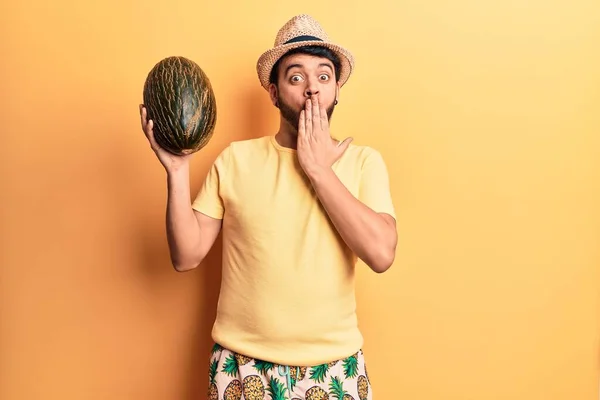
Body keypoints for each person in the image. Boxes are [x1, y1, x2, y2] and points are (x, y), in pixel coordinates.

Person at [139, 14, 397, 400]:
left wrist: (317, 170)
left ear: (337, 90)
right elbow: (186, 255)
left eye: (324, 76)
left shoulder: (363, 162)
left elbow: (380, 253)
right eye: (296, 77)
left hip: (334, 367)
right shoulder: (235, 160)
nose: (312, 88)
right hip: (242, 366)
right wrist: (177, 170)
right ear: (274, 93)